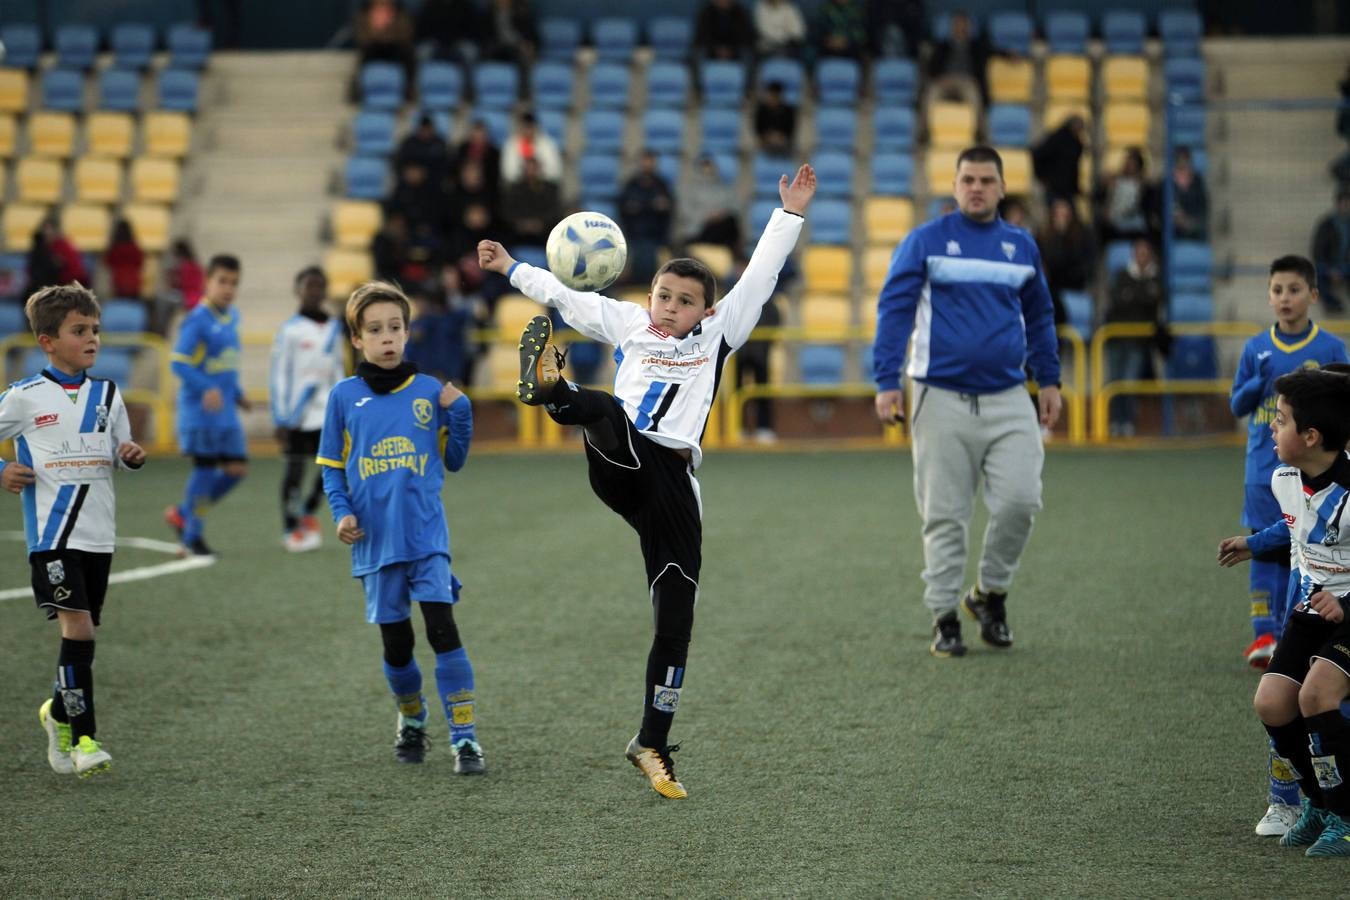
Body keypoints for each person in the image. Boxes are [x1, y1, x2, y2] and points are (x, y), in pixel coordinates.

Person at [476, 163, 817, 799]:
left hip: (675, 487)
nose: (670, 308)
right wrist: (508, 268)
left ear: (706, 310)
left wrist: (789, 213)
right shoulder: (631, 324)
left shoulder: (720, 333)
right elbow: (567, 298)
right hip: (622, 458)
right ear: (651, 295)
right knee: (603, 406)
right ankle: (554, 391)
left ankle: (651, 742)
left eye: (685, 301)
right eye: (663, 296)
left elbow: (762, 276)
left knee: (676, 614)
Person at [872, 146, 1061, 658]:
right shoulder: (925, 242)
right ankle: (944, 616)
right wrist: (886, 380)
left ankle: (989, 594)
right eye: (967, 180)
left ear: (1002, 188)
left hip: (1008, 397)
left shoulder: (1021, 246)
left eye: (986, 180)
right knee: (945, 514)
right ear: (954, 188)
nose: (976, 187)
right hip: (940, 396)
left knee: (1022, 501)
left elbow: (1041, 317)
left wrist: (1049, 380)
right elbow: (894, 310)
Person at [316, 280, 483, 773]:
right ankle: (412, 720)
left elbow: (453, 459)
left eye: (395, 327)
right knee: (397, 643)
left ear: (408, 333)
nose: (386, 338)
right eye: (375, 330)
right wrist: (341, 513)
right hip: (375, 540)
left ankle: (465, 738)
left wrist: (464, 413)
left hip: (426, 536)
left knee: (442, 629)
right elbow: (331, 466)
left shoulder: (430, 391)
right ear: (356, 339)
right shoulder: (344, 397)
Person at [0, 283, 146, 777]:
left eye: (96, 330)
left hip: (98, 534)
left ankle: (57, 711)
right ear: (47, 341)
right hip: (53, 536)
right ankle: (84, 739)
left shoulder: (107, 394)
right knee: (77, 627)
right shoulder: (23, 398)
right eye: (79, 331)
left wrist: (130, 455)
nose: (92, 339)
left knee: (84, 637)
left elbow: (119, 449)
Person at [1218, 366, 1350, 858]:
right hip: (1310, 610)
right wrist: (1253, 543)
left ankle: (1345, 812)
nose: (1271, 426)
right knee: (1272, 702)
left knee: (1318, 696)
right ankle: (1317, 802)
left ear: (1311, 436)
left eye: (1282, 419)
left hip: (1348, 614)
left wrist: (1344, 601)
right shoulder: (1285, 478)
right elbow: (1293, 528)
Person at [1230, 256, 1347, 692]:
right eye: (1277, 290)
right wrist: (1255, 384)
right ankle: (1264, 635)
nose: (1284, 298)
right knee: (1266, 550)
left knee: (1304, 553)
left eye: (1294, 289)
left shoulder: (1332, 349)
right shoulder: (1257, 348)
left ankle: (1299, 633)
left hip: (1317, 475)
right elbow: (1237, 407)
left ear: (1313, 295)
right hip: (1263, 473)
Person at [165, 254, 250, 557]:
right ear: (207, 282)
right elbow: (179, 363)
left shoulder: (232, 316)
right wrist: (207, 388)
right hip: (201, 413)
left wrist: (236, 392)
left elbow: (223, 363)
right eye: (222, 281)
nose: (228, 288)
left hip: (225, 412)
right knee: (204, 471)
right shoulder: (197, 320)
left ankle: (184, 513)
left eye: (233, 283)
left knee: (237, 469)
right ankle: (192, 536)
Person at [270, 266, 346, 553]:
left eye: (319, 286)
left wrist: (344, 407)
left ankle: (308, 510)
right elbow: (280, 373)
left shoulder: (334, 328)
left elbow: (338, 368)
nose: (314, 292)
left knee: (333, 468)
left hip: (327, 411)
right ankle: (290, 527)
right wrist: (280, 416)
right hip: (297, 415)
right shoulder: (289, 330)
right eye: (308, 286)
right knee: (295, 470)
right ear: (298, 290)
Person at [1101, 237, 1165, 437]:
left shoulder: (1155, 279)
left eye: (1145, 252)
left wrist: (1133, 298)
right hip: (1116, 338)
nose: (1142, 256)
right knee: (1114, 382)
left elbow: (1152, 304)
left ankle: (1127, 422)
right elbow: (1118, 304)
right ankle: (1113, 422)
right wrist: (1139, 298)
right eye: (1139, 252)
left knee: (1129, 383)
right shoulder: (1121, 275)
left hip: (1137, 342)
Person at [1035, 197, 1096, 326]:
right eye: (1058, 212)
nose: (1061, 216)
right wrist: (1058, 237)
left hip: (1075, 286)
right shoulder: (1043, 236)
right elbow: (1045, 264)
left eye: (1065, 212)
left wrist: (1063, 237)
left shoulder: (1084, 235)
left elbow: (1084, 266)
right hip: (1051, 289)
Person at [618, 149, 675, 283]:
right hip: (635, 232)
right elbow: (625, 207)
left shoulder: (662, 184)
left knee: (651, 251)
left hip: (657, 233)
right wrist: (651, 206)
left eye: (650, 161)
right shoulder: (631, 184)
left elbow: (668, 207)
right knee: (640, 249)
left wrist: (641, 207)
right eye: (645, 161)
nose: (647, 164)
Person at [924, 10, 989, 113]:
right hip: (945, 81)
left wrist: (1007, 53)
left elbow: (992, 52)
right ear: (952, 26)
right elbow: (932, 67)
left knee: (974, 96)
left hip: (966, 81)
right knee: (931, 93)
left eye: (963, 24)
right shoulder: (942, 46)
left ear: (968, 26)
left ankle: (979, 129)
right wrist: (940, 78)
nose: (960, 27)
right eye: (957, 24)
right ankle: (924, 129)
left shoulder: (976, 46)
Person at [677, 154, 742, 251]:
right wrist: (708, 216)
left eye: (710, 166)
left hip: (720, 227)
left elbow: (735, 206)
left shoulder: (723, 188)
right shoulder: (689, 189)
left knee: (731, 221)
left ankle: (734, 257)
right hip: (699, 229)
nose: (708, 169)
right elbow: (685, 212)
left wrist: (721, 214)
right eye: (704, 166)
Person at [500, 156, 562, 245]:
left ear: (539, 169)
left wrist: (539, 224)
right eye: (528, 169)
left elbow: (554, 210)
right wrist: (522, 224)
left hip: (543, 231)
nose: (531, 172)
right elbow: (507, 211)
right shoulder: (514, 189)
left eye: (533, 168)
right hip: (517, 231)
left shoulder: (550, 188)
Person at [1031, 115, 1086, 209]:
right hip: (1055, 188)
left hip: (1066, 189)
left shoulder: (1076, 143)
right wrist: (1042, 176)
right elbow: (1037, 154)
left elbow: (1074, 169)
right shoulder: (1056, 139)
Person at [1311, 188, 1350, 315]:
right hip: (1328, 265)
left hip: (1346, 265)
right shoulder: (1326, 224)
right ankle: (1331, 305)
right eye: (1344, 203)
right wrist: (1332, 269)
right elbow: (1318, 249)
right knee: (1318, 275)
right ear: (1338, 204)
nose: (1347, 207)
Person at [499, 111, 562, 185]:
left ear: (536, 127)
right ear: (520, 128)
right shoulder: (511, 145)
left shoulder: (547, 144)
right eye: (525, 127)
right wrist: (524, 171)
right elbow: (508, 173)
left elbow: (555, 172)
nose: (528, 131)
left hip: (543, 186)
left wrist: (538, 171)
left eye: (531, 127)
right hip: (518, 186)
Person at [1170, 145, 1209, 240]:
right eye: (1179, 159)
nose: (1182, 162)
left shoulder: (1197, 180)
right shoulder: (1168, 181)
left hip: (1192, 222)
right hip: (1173, 224)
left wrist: (1189, 220)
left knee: (1199, 230)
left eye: (1185, 159)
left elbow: (1202, 204)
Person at [753, 80, 797, 155]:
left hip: (783, 143)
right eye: (771, 95)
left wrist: (780, 137)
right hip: (765, 142)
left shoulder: (788, 111)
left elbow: (791, 130)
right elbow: (757, 128)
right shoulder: (761, 110)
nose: (773, 98)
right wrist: (768, 137)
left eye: (776, 96)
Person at [103, 220, 144, 299]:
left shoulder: (115, 248)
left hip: (119, 281)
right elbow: (140, 262)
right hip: (134, 281)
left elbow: (108, 262)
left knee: (120, 305)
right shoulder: (134, 247)